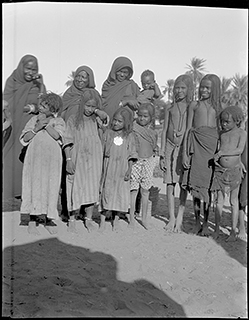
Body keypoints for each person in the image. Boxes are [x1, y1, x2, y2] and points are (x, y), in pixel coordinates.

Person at [60, 65, 109, 222]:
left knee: (89, 181)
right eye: (78, 76)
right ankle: (68, 213)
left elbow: (99, 113)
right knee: (70, 179)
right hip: (72, 141)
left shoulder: (93, 99)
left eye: (84, 77)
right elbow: (61, 112)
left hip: (90, 150)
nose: (80, 79)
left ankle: (84, 214)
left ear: (90, 80)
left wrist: (96, 111)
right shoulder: (69, 94)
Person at [181, 74, 222, 236]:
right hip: (196, 149)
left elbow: (222, 131)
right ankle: (197, 222)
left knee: (208, 189)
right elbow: (187, 130)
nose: (204, 90)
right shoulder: (194, 105)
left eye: (208, 88)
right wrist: (185, 153)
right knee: (196, 188)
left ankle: (206, 224)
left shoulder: (218, 108)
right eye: (202, 87)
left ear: (215, 90)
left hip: (211, 152)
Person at [19, 92, 65, 235]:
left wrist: (46, 125)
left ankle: (47, 218)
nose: (41, 107)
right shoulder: (33, 120)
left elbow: (58, 136)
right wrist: (37, 127)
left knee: (50, 187)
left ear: (53, 109)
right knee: (34, 185)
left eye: (45, 106)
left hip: (52, 160)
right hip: (35, 158)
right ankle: (32, 218)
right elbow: (25, 138)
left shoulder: (59, 122)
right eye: (42, 104)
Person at [3, 54, 46, 200]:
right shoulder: (12, 82)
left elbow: (44, 108)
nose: (31, 73)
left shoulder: (38, 85)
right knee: (12, 159)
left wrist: (40, 87)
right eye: (28, 68)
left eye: (34, 69)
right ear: (22, 67)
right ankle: (13, 193)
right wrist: (26, 107)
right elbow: (7, 105)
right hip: (14, 128)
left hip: (30, 129)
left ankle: (27, 195)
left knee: (27, 160)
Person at [159, 74, 194, 232]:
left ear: (189, 90)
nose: (179, 91)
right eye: (177, 88)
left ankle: (179, 217)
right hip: (169, 146)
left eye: (183, 88)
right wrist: (161, 153)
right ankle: (171, 217)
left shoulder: (191, 107)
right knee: (169, 182)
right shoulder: (170, 108)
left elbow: (189, 129)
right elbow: (165, 129)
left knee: (183, 183)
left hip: (183, 148)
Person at [99, 107, 138, 232]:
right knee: (106, 192)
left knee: (119, 194)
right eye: (114, 120)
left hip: (122, 169)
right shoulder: (108, 133)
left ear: (126, 123)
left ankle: (116, 220)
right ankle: (102, 221)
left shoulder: (130, 136)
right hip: (109, 168)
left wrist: (129, 170)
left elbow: (132, 154)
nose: (115, 123)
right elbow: (102, 149)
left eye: (119, 121)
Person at [211, 106, 247, 241]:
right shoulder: (221, 133)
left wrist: (221, 153)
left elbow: (239, 150)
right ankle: (216, 229)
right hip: (220, 170)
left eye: (227, 122)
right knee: (219, 201)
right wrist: (216, 157)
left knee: (233, 201)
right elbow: (218, 148)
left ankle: (232, 231)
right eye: (222, 122)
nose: (224, 124)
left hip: (234, 171)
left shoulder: (242, 133)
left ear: (237, 121)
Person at [129, 103, 158, 229]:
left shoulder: (153, 132)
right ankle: (131, 217)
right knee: (133, 189)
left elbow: (154, 146)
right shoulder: (133, 128)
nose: (141, 118)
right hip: (136, 161)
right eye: (139, 115)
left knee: (145, 190)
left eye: (145, 116)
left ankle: (145, 218)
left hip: (149, 161)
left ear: (151, 117)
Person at [238, 119, 248, 240]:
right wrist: (239, 161)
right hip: (244, 165)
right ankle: (241, 227)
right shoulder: (244, 126)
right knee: (242, 197)